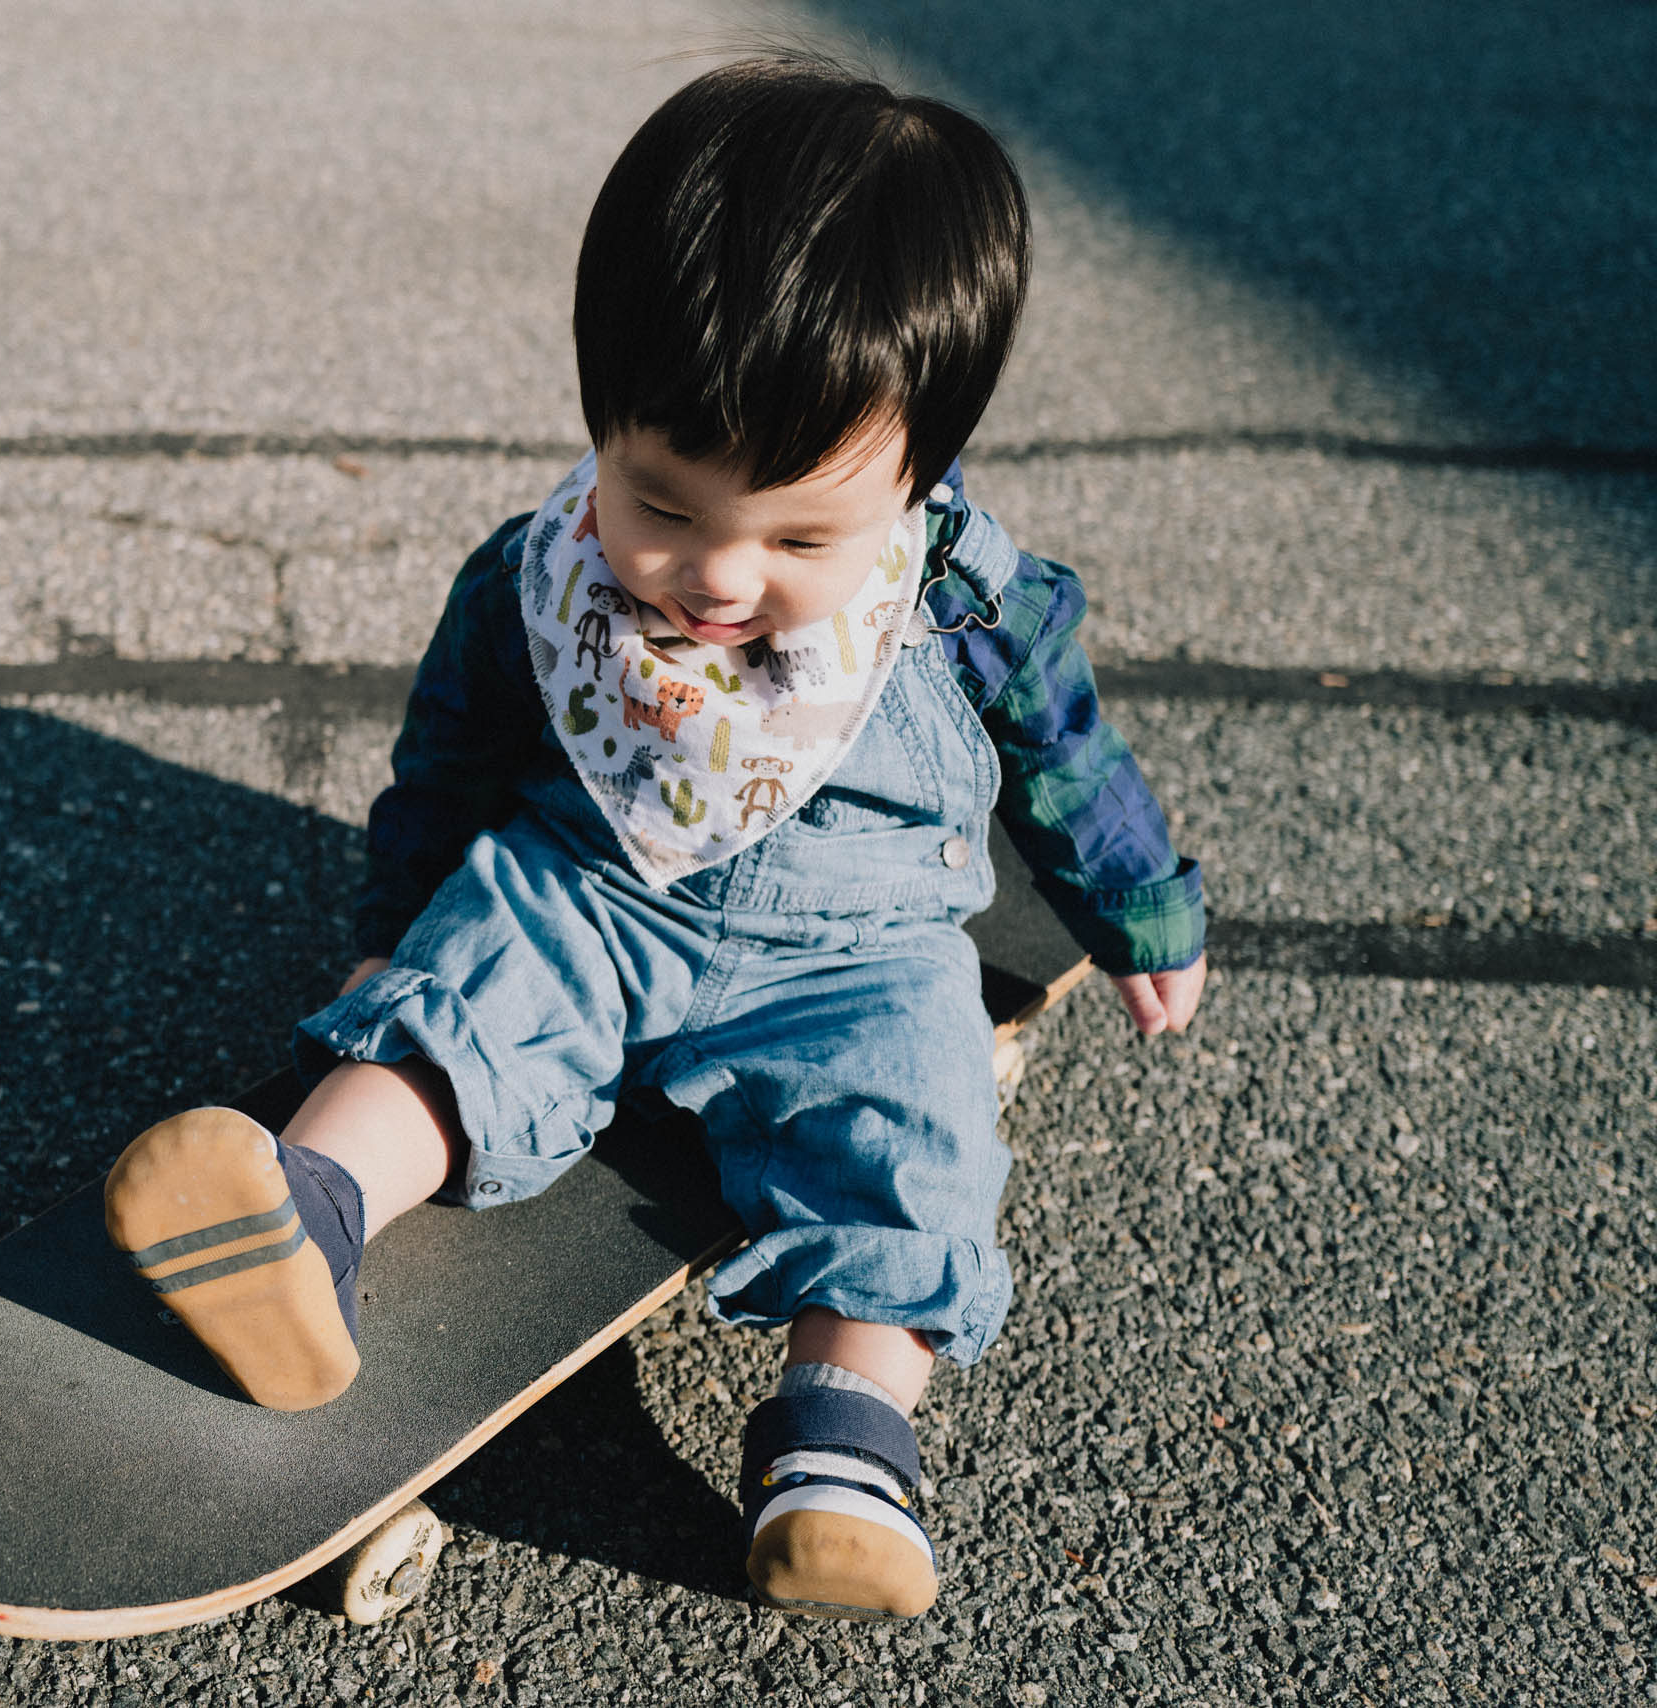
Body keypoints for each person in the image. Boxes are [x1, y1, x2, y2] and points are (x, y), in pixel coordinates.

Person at [102, 51, 1207, 1621]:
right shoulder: (537, 570)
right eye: (663, 503)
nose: (717, 575)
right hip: (592, 887)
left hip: (859, 948)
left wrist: (1142, 909)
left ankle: (844, 1435)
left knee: (921, 1141)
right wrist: (399, 915)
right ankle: (300, 1214)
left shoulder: (963, 597)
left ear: (915, 476)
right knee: (457, 1015)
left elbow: (1067, 757)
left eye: (802, 535)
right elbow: (456, 749)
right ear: (602, 423)